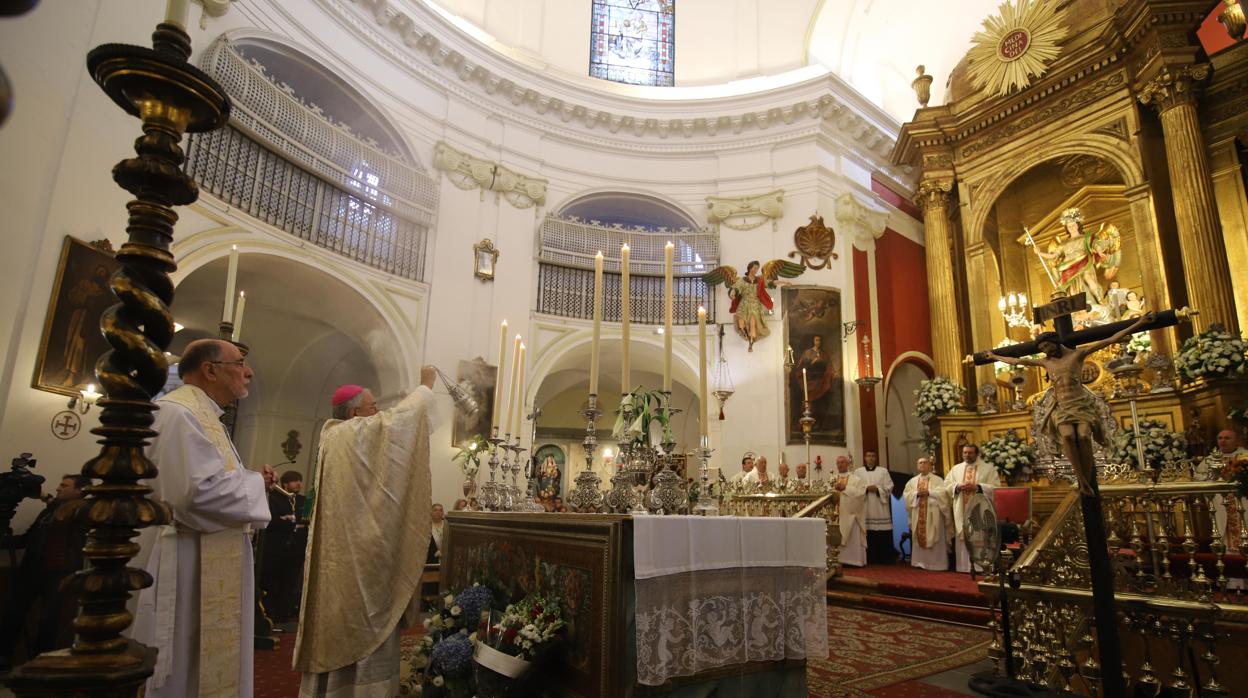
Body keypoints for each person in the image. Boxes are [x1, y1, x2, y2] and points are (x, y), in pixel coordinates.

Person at [132, 339, 275, 698]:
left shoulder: (205, 416)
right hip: (183, 557)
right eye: (239, 363)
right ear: (210, 370)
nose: (248, 372)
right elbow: (195, 493)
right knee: (181, 661)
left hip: (200, 549)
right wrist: (255, 484)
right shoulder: (178, 413)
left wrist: (251, 482)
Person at [296, 367, 441, 697]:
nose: (378, 412)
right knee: (362, 619)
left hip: (347, 555)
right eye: (373, 406)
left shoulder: (335, 437)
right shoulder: (350, 435)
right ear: (354, 413)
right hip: (359, 559)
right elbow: (398, 422)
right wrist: (424, 387)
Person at [987, 311, 1153, 495]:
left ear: (1055, 341)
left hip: (1080, 404)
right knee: (1067, 436)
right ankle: (1081, 480)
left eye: (1047, 346)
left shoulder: (1077, 355)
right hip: (1061, 406)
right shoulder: (1045, 362)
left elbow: (1110, 339)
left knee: (1083, 436)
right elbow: (1017, 360)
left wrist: (1139, 323)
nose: (1046, 350)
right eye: (1042, 348)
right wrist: (994, 357)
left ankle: (1086, 479)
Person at [0, 474, 89, 668]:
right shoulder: (48, 512)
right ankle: (4, 658)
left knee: (48, 621)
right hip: (31, 571)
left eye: (64, 485)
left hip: (59, 574)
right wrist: (4, 541)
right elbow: (28, 538)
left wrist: (45, 497)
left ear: (79, 491)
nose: (58, 488)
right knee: (13, 614)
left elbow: (67, 514)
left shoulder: (84, 512)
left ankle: (41, 664)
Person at [943, 444, 1001, 573]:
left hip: (980, 509)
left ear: (976, 453)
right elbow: (946, 486)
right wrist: (957, 486)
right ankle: (963, 567)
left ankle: (981, 565)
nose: (967, 455)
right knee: (963, 533)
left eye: (970, 453)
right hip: (961, 509)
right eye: (965, 453)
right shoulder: (956, 469)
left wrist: (978, 487)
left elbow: (996, 487)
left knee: (979, 533)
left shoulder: (988, 468)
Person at [260, 470, 308, 626]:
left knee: (289, 583)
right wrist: (289, 522)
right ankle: (267, 615)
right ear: (285, 483)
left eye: (299, 480)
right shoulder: (274, 498)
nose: (298, 483)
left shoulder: (303, 501)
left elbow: (305, 521)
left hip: (295, 550)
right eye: (294, 480)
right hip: (275, 549)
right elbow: (269, 520)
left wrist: (291, 521)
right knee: (272, 582)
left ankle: (282, 616)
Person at [903, 457, 951, 571]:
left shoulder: (938, 480)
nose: (922, 464)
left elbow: (944, 495)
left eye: (925, 463)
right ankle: (919, 562)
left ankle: (937, 564)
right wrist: (916, 494)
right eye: (920, 463)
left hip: (933, 514)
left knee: (936, 535)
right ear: (917, 466)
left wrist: (929, 492)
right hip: (918, 512)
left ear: (929, 465)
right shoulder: (912, 481)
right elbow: (907, 495)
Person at [855, 451, 895, 564]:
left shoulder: (883, 471)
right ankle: (869, 558)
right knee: (867, 530)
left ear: (876, 458)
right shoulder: (858, 472)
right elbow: (855, 488)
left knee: (882, 532)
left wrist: (877, 489)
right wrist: (866, 489)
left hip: (880, 507)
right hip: (865, 506)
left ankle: (884, 559)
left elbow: (890, 486)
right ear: (865, 458)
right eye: (869, 456)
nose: (871, 458)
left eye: (873, 456)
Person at [832, 456, 868, 567]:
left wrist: (845, 488)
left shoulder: (856, 480)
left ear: (847, 464)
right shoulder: (832, 479)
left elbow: (861, 495)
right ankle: (835, 559)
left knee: (852, 536)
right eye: (838, 462)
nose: (840, 464)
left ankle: (853, 561)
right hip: (835, 515)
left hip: (851, 516)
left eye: (842, 462)